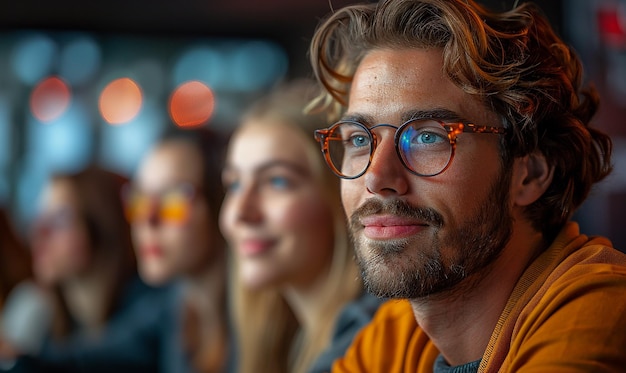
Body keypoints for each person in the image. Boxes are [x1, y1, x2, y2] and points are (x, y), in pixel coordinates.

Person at [307, 0, 626, 371]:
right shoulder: (397, 337)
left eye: (428, 137)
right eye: (359, 140)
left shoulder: (597, 309)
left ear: (531, 175)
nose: (377, 178)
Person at [219, 79, 383, 373]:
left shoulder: (372, 343)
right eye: (234, 184)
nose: (240, 213)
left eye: (276, 181)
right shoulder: (276, 337)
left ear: (341, 194)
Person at [1, 165, 167, 373]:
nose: (39, 232)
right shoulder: (51, 324)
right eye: (40, 218)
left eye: (60, 218)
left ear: (101, 224)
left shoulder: (151, 309)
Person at [126, 126, 230, 373]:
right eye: (139, 198)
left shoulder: (259, 322)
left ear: (222, 204)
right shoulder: (174, 305)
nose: (148, 218)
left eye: (173, 198)